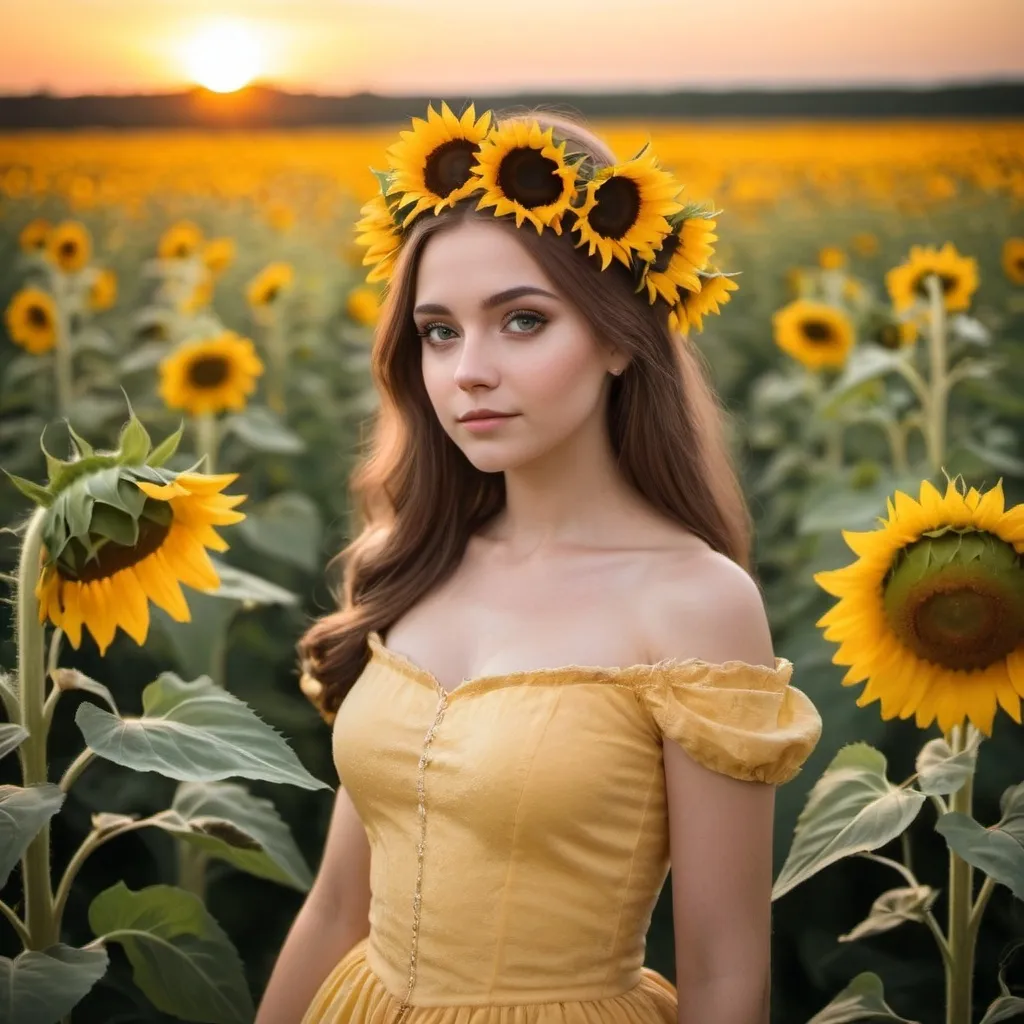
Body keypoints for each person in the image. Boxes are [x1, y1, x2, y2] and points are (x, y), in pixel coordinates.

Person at [255, 102, 823, 1024]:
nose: (468, 369)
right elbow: (334, 909)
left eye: (521, 321)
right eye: (439, 331)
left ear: (615, 336)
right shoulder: (408, 563)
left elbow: (727, 975)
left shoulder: (696, 603)